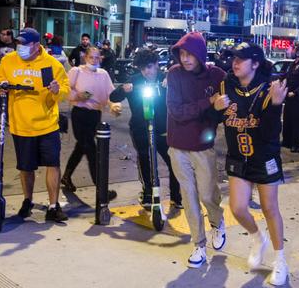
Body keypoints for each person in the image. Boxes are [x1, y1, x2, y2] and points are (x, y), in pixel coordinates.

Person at [212, 42, 289, 286]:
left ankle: (280, 261)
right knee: (237, 208)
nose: (235, 63)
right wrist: (215, 108)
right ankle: (258, 237)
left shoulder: (269, 90)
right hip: (238, 158)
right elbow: (216, 119)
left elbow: (270, 133)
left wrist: (276, 106)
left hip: (264, 157)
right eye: (234, 58)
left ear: (255, 63)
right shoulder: (225, 86)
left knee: (269, 208)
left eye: (241, 59)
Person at [0, 28, 70, 222]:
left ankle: (53, 206)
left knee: (52, 164)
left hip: (47, 125)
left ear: (36, 46)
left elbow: (65, 90)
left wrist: (56, 90)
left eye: (24, 44)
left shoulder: (51, 64)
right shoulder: (8, 61)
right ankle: (27, 201)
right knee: (26, 167)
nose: (20, 47)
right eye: (18, 43)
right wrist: (0, 87)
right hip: (21, 125)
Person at [166, 31, 226, 268]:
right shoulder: (174, 75)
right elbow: (177, 112)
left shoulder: (218, 76)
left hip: (203, 147)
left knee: (208, 194)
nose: (186, 59)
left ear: (200, 54)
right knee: (189, 198)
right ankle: (198, 245)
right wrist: (208, 103)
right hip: (177, 147)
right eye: (182, 54)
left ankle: (217, 222)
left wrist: (217, 107)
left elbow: (222, 112)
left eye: (190, 54)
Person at [109, 49, 182, 208]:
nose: (147, 72)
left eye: (150, 67)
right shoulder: (134, 80)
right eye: (143, 68)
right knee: (145, 159)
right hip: (140, 127)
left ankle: (176, 196)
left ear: (157, 65)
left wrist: (171, 84)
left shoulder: (165, 78)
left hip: (162, 127)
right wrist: (123, 89)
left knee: (173, 160)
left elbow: (183, 92)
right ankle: (148, 193)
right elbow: (113, 97)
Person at [61, 47, 122, 200]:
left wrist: (113, 105)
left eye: (97, 57)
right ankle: (101, 189)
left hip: (95, 115)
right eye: (91, 57)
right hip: (80, 114)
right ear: (85, 57)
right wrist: (78, 95)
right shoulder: (77, 71)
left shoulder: (103, 74)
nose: (94, 60)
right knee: (91, 150)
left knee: (81, 147)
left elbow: (110, 94)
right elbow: (65, 91)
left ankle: (66, 176)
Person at [0, 29, 17, 127]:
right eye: (1, 34)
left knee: (12, 98)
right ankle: (0, 118)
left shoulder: (16, 46)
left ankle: (10, 118)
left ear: (9, 35)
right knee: (0, 97)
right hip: (0, 75)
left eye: (3, 34)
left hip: (13, 75)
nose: (1, 36)